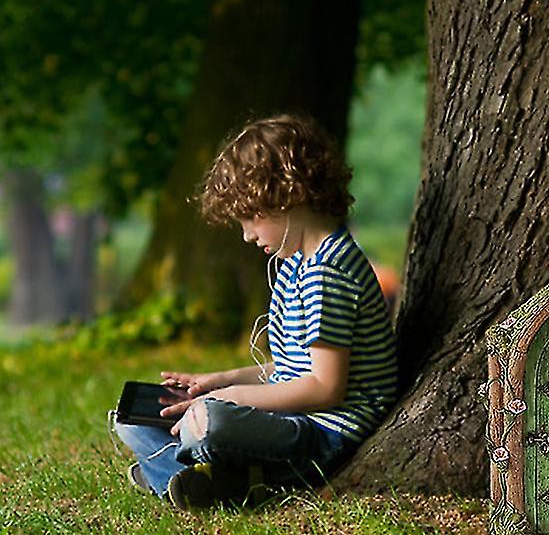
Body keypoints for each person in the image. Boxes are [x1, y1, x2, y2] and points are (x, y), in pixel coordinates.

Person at [113, 113, 397, 509]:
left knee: (213, 422)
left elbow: (324, 388)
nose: (247, 234)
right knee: (131, 422)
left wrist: (228, 399)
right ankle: (207, 478)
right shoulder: (297, 264)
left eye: (251, 217)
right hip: (295, 418)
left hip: (323, 435)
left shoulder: (329, 273)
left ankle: (190, 475)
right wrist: (218, 381)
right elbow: (290, 371)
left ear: (288, 195)